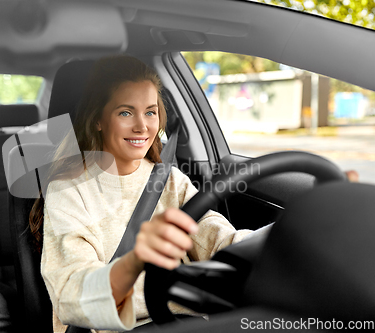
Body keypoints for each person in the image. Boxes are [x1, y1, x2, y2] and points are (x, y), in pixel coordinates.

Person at [28, 55, 357, 333]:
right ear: (98, 120)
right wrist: (136, 261)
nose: (143, 126)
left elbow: (223, 243)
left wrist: (315, 216)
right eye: (125, 112)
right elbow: (71, 294)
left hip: (185, 320)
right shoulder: (68, 191)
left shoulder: (167, 178)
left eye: (151, 111)